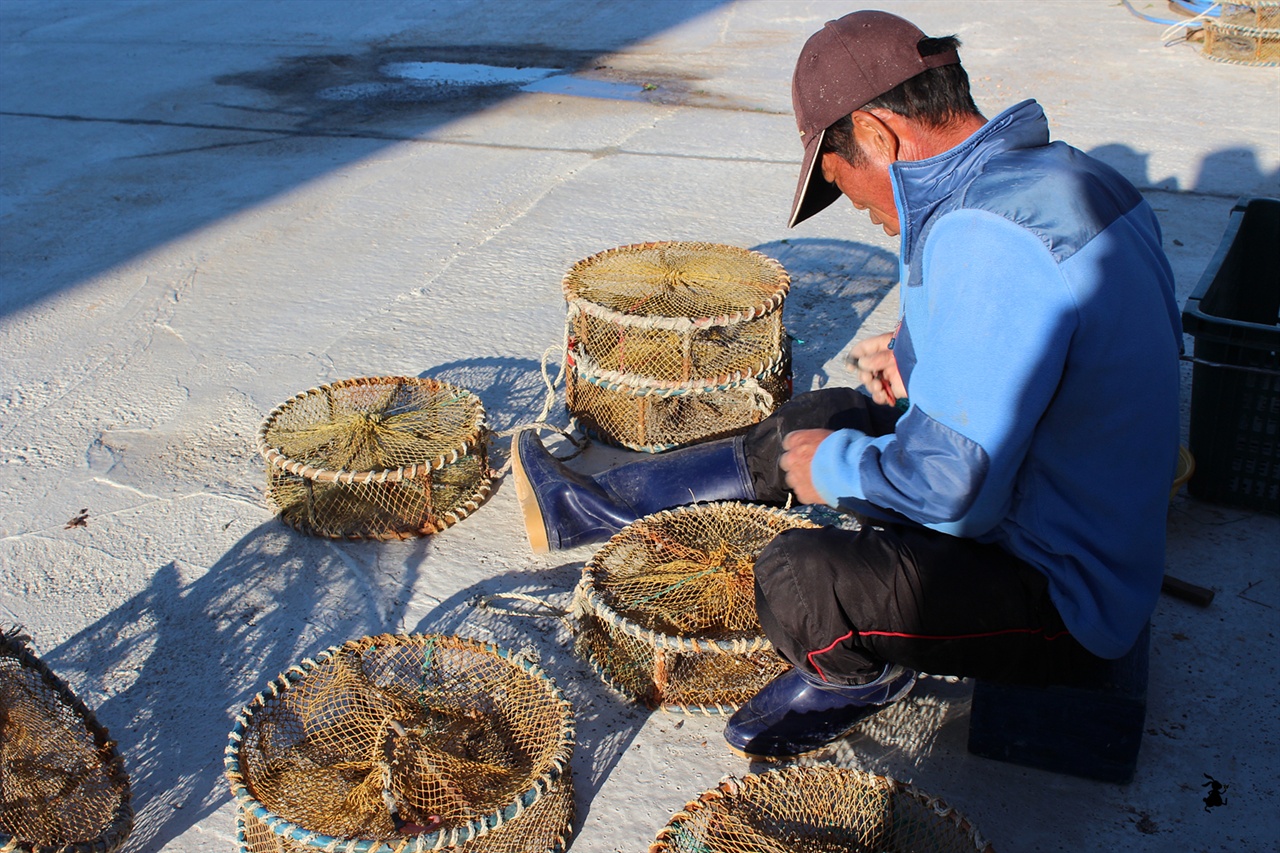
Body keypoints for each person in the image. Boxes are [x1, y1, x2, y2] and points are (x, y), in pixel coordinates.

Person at [511, 9, 1182, 759]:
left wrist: (825, 468)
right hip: (1069, 507)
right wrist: (917, 358)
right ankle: (593, 507)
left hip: (1067, 595)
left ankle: (859, 673)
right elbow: (1051, 346)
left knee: (802, 579)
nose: (866, 213)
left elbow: (953, 492)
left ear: (878, 135)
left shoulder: (986, 233)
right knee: (824, 411)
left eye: (847, 183)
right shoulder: (1063, 179)